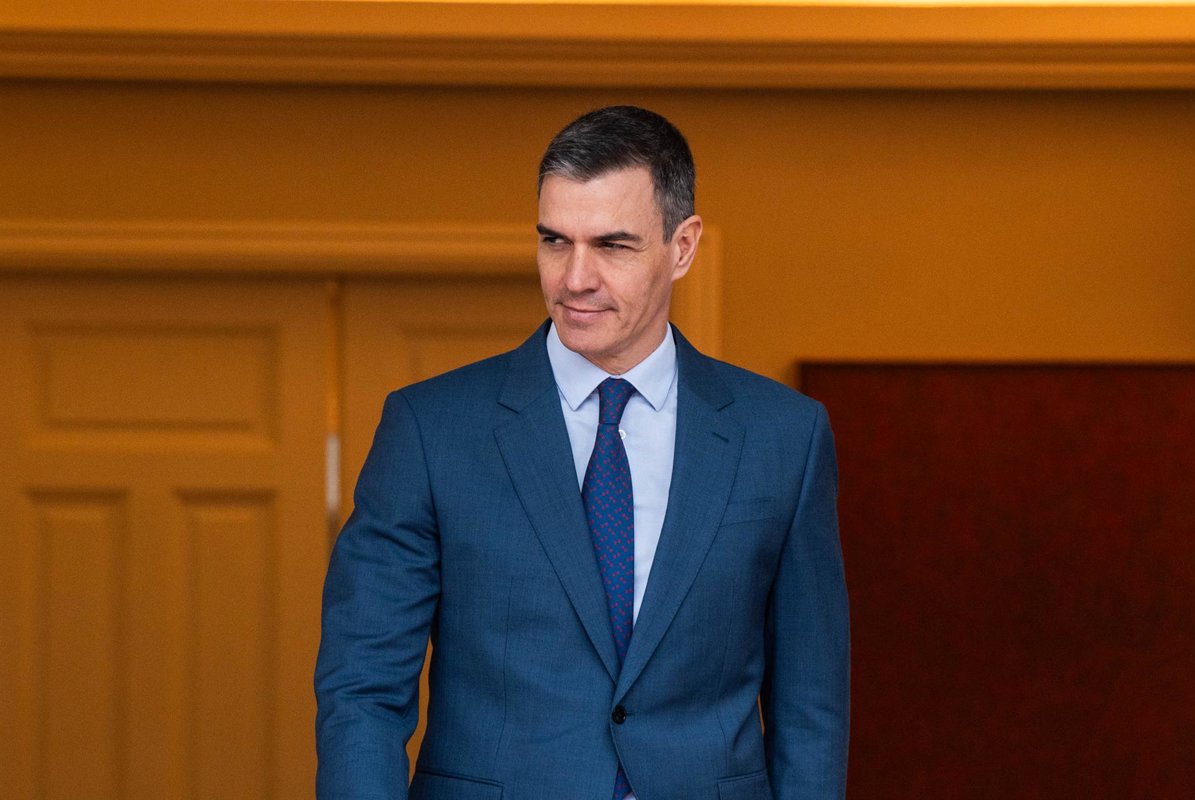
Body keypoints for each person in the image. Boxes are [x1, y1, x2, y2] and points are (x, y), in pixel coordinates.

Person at [315, 105, 849, 800]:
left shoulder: (785, 437)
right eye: (554, 241)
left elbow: (811, 706)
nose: (574, 278)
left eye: (613, 245)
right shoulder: (430, 430)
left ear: (682, 247)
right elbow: (362, 688)